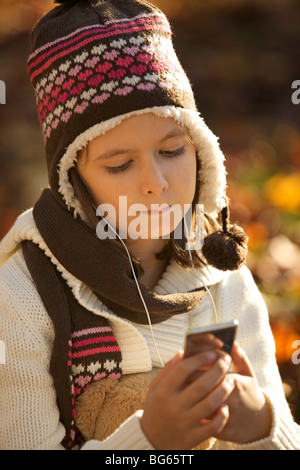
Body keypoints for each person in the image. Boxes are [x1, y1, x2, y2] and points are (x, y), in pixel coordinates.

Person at [0, 0, 299, 451]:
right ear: (73, 179)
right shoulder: (22, 296)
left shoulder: (224, 279)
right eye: (120, 165)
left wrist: (260, 424)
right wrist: (150, 442)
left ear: (200, 149)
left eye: (173, 150)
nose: (156, 185)